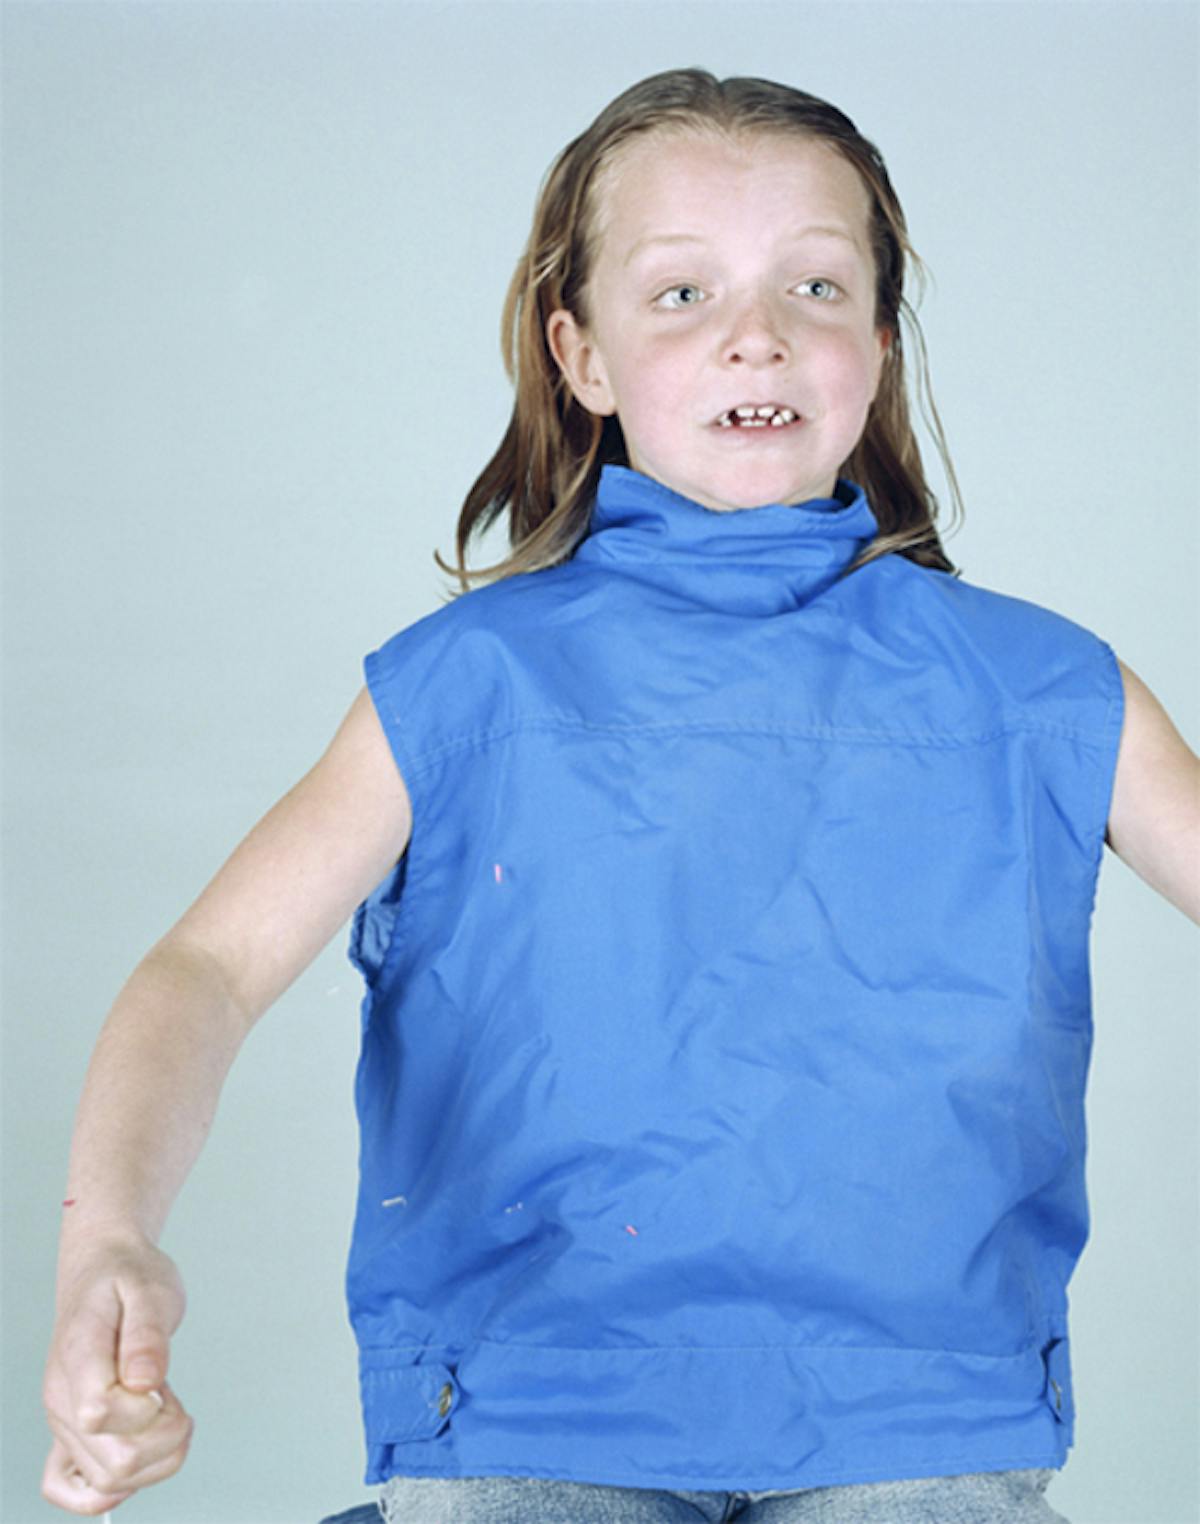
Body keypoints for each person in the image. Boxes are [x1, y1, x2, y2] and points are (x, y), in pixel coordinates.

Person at [41, 67, 1197, 1524]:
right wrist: (108, 1242)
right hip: (528, 1411)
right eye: (682, 293)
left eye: (818, 286)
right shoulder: (462, 687)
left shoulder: (1049, 689)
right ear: (579, 353)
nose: (758, 333)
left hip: (918, 1416)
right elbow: (204, 972)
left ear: (879, 347)